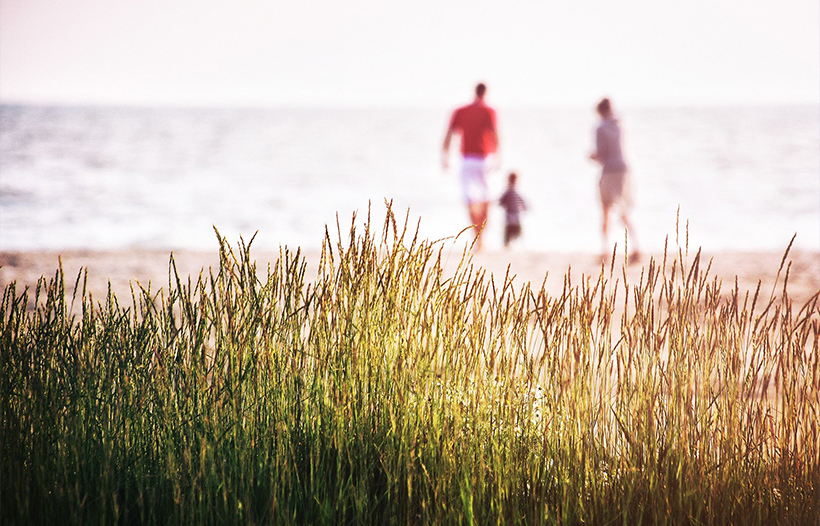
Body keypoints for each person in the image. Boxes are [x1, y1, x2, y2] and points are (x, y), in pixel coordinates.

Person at [442, 83, 499, 250]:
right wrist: (498, 155)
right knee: (486, 199)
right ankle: (481, 237)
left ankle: (477, 237)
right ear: (485, 92)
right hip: (485, 158)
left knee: (471, 199)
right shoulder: (489, 111)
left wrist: (444, 156)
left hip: (467, 160)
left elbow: (449, 134)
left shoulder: (460, 111)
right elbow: (495, 134)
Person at [589, 98, 640, 263]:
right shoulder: (621, 125)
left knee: (605, 211)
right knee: (624, 212)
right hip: (625, 169)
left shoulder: (600, 128)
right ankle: (636, 247)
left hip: (610, 170)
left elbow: (601, 155)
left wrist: (592, 157)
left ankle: (605, 251)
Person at [498, 171, 527, 248]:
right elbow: (501, 202)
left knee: (512, 230)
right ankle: (509, 244)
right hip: (512, 214)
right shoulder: (510, 192)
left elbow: (500, 202)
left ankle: (511, 244)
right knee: (512, 230)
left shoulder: (510, 192)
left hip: (513, 214)